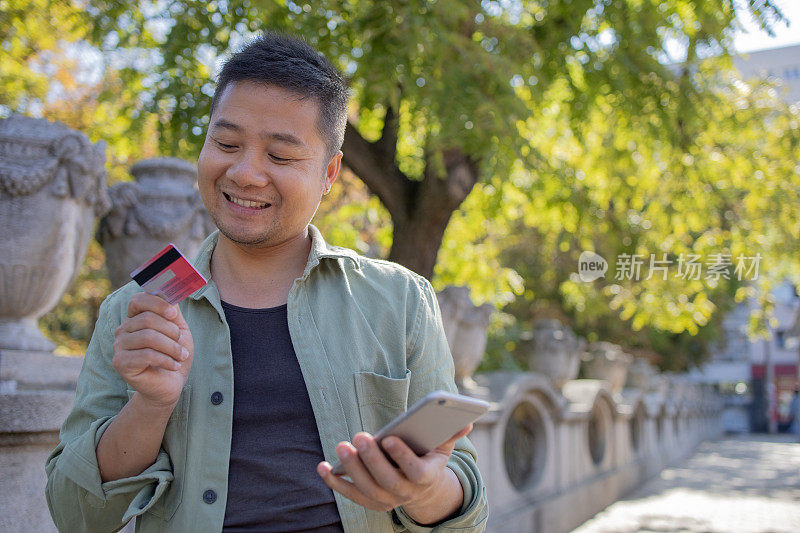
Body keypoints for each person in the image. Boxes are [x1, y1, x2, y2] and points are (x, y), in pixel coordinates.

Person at [44, 31, 488, 533]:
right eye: (226, 143)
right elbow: (75, 515)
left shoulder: (401, 301)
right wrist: (150, 405)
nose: (245, 173)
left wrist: (424, 490)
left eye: (280, 157)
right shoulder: (136, 310)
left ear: (330, 173)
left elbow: (465, 509)